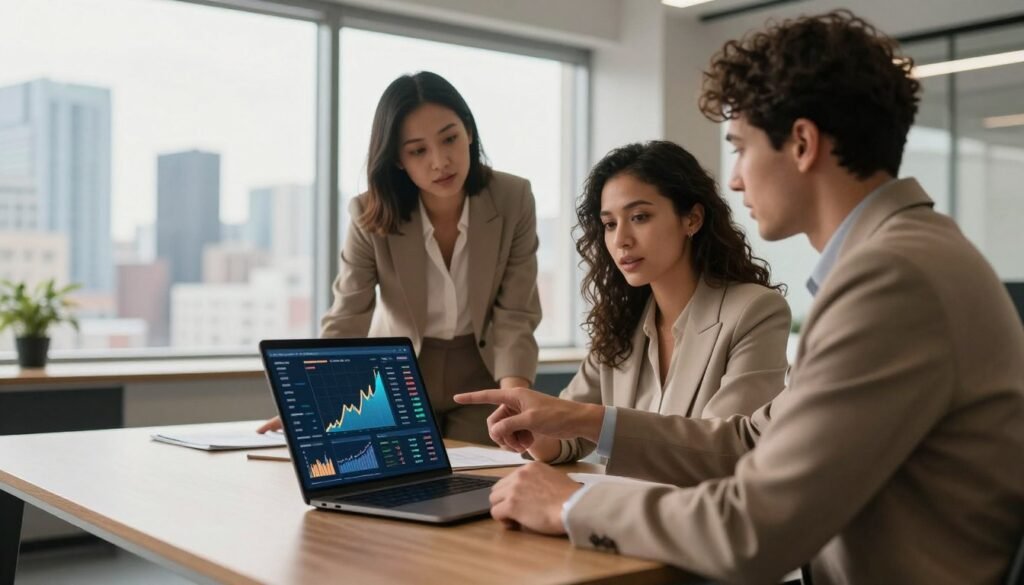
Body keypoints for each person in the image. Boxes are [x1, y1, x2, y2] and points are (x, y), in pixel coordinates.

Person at [456, 10, 1024, 584]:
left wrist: (570, 505)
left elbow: (752, 528)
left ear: (801, 143)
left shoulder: (892, 278)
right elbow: (752, 438)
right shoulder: (905, 256)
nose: (733, 178)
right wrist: (579, 424)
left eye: (740, 146)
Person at [260, 71, 542, 445]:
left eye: (450, 138)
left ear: (469, 132)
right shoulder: (369, 214)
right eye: (418, 150)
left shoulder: (513, 197)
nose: (440, 161)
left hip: (482, 375)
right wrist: (314, 401)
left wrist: (513, 399)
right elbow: (349, 314)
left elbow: (515, 314)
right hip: (396, 376)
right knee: (392, 485)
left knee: (487, 483)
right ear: (396, 158)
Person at [524, 140, 790, 465]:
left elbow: (726, 453)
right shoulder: (620, 322)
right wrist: (531, 429)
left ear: (692, 219)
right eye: (609, 224)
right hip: (619, 507)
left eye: (639, 217)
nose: (621, 239)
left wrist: (590, 421)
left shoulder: (756, 311)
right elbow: (568, 436)